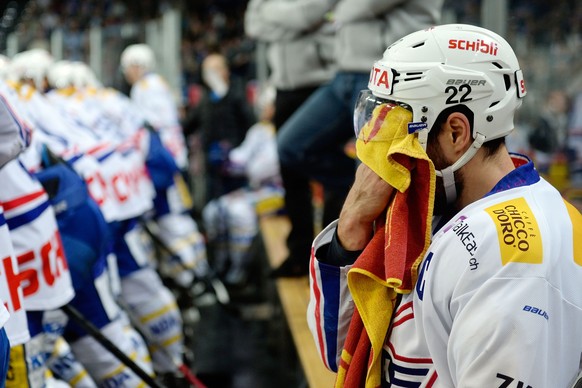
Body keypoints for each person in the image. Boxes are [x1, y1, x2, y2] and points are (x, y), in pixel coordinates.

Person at [307, 24, 582, 387]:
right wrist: (352, 226)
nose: (382, 149)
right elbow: (341, 351)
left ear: (456, 132)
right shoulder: (429, 203)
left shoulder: (512, 255)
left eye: (400, 129)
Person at [274, 0, 444, 277]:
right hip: (344, 73)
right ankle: (360, 190)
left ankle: (369, 281)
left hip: (394, 75)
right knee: (291, 146)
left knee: (373, 202)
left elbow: (360, 6)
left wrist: (328, 11)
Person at [244, 0, 336, 278]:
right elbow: (253, 26)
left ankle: (333, 253)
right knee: (290, 175)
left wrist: (279, 21)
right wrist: (295, 23)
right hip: (284, 89)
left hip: (319, 86)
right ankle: (298, 253)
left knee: (328, 171)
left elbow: (304, 15)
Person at [183, 52, 256, 204]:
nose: (211, 75)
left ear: (225, 71)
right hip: (211, 166)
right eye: (207, 70)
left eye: (215, 69)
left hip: (235, 166)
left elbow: (251, 125)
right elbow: (188, 125)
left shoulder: (237, 94)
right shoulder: (205, 99)